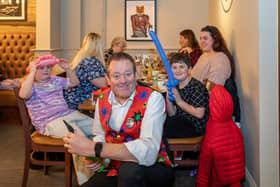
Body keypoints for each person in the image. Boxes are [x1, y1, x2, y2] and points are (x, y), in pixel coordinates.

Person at [64, 52, 175, 187]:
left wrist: (96, 149)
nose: (123, 81)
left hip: (154, 167)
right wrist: (97, 159)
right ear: (108, 79)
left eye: (128, 74)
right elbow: (99, 135)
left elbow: (149, 151)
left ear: (136, 75)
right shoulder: (101, 99)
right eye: (116, 76)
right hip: (115, 167)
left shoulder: (153, 98)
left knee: (129, 171)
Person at [19, 54, 95, 185]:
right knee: (78, 139)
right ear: (32, 69)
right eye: (41, 68)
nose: (46, 70)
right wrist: (31, 73)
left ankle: (101, 168)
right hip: (49, 122)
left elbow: (74, 83)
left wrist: (68, 69)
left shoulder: (54, 80)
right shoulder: (30, 84)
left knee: (99, 127)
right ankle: (87, 182)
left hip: (68, 114)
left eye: (48, 67)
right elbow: (23, 94)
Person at [197, 85, 245, 187]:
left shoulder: (212, 134)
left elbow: (204, 167)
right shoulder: (235, 128)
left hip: (219, 178)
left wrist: (201, 184)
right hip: (235, 177)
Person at [165, 53, 209, 138]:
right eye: (174, 67)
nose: (178, 70)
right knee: (161, 119)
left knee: (162, 129)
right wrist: (168, 99)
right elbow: (172, 114)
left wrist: (179, 101)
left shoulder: (196, 87)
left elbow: (200, 114)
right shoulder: (176, 85)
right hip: (181, 122)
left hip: (195, 127)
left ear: (189, 70)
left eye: (181, 67)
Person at [63, 32, 107, 110]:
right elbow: (103, 84)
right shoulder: (89, 61)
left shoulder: (81, 58)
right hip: (82, 102)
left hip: (74, 99)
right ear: (97, 46)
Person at [191, 25, 234, 91]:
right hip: (194, 93)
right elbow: (193, 76)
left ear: (215, 40)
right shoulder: (203, 55)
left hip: (205, 98)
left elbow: (213, 89)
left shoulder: (220, 59)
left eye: (205, 38)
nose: (202, 41)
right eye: (201, 38)